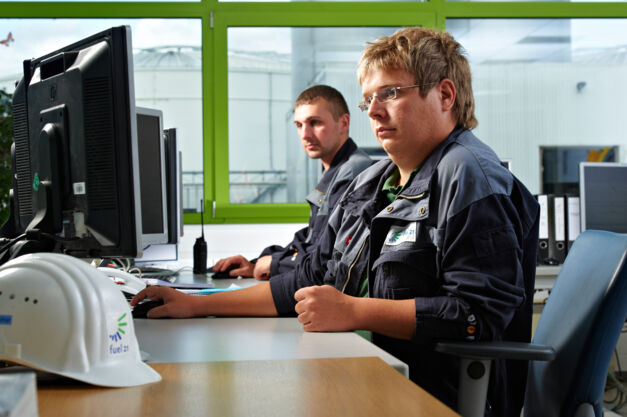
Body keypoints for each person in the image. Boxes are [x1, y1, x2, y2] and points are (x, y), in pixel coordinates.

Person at [132, 27, 539, 417]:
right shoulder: (376, 181)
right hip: (369, 368)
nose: (375, 111)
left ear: (445, 95)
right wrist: (198, 305)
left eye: (391, 94)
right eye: (369, 100)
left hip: (432, 393)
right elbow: (312, 276)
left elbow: (474, 317)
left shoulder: (469, 176)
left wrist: (355, 311)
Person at [211, 85, 372, 280]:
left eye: (315, 122)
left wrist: (275, 263)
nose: (305, 134)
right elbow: (314, 237)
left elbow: (327, 255)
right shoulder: (335, 168)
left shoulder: (353, 172)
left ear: (344, 123)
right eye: (299, 125)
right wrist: (258, 262)